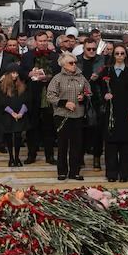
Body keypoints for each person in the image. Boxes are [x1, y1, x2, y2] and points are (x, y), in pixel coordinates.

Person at [45, 53, 90, 181]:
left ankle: (74, 172)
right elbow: (50, 96)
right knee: (63, 145)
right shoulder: (57, 78)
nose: (74, 65)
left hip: (78, 115)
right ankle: (62, 171)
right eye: (71, 63)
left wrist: (84, 97)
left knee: (77, 145)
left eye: (75, 62)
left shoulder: (81, 77)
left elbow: (89, 92)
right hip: (62, 115)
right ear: (63, 65)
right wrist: (64, 103)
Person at [20, 31, 60, 165]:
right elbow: (21, 72)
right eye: (40, 41)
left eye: (45, 41)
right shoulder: (27, 56)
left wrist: (47, 77)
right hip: (33, 95)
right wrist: (29, 73)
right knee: (32, 127)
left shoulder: (55, 56)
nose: (43, 43)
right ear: (35, 42)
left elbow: (58, 74)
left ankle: (50, 156)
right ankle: (31, 155)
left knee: (49, 127)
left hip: (49, 95)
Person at [102, 45, 128, 183]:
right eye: (117, 53)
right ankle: (111, 173)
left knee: (127, 144)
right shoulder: (107, 70)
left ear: (125, 55)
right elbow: (100, 89)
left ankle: (125, 173)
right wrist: (104, 95)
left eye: (122, 53)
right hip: (111, 112)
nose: (119, 56)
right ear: (113, 55)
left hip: (126, 111)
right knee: (111, 144)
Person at [76, 39, 106, 171]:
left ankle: (96, 158)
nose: (92, 51)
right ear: (84, 49)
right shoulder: (77, 60)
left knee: (97, 131)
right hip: (80, 98)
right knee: (80, 130)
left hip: (97, 98)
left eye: (94, 49)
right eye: (89, 49)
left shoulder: (102, 60)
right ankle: (80, 157)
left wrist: (99, 77)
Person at [0, 64, 30, 167]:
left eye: (17, 73)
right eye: (13, 73)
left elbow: (27, 100)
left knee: (18, 136)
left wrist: (21, 113)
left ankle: (17, 157)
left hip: (20, 115)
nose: (15, 75)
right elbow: (1, 103)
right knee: (9, 136)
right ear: (8, 74)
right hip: (7, 115)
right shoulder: (1, 88)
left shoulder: (23, 86)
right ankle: (11, 158)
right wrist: (12, 113)